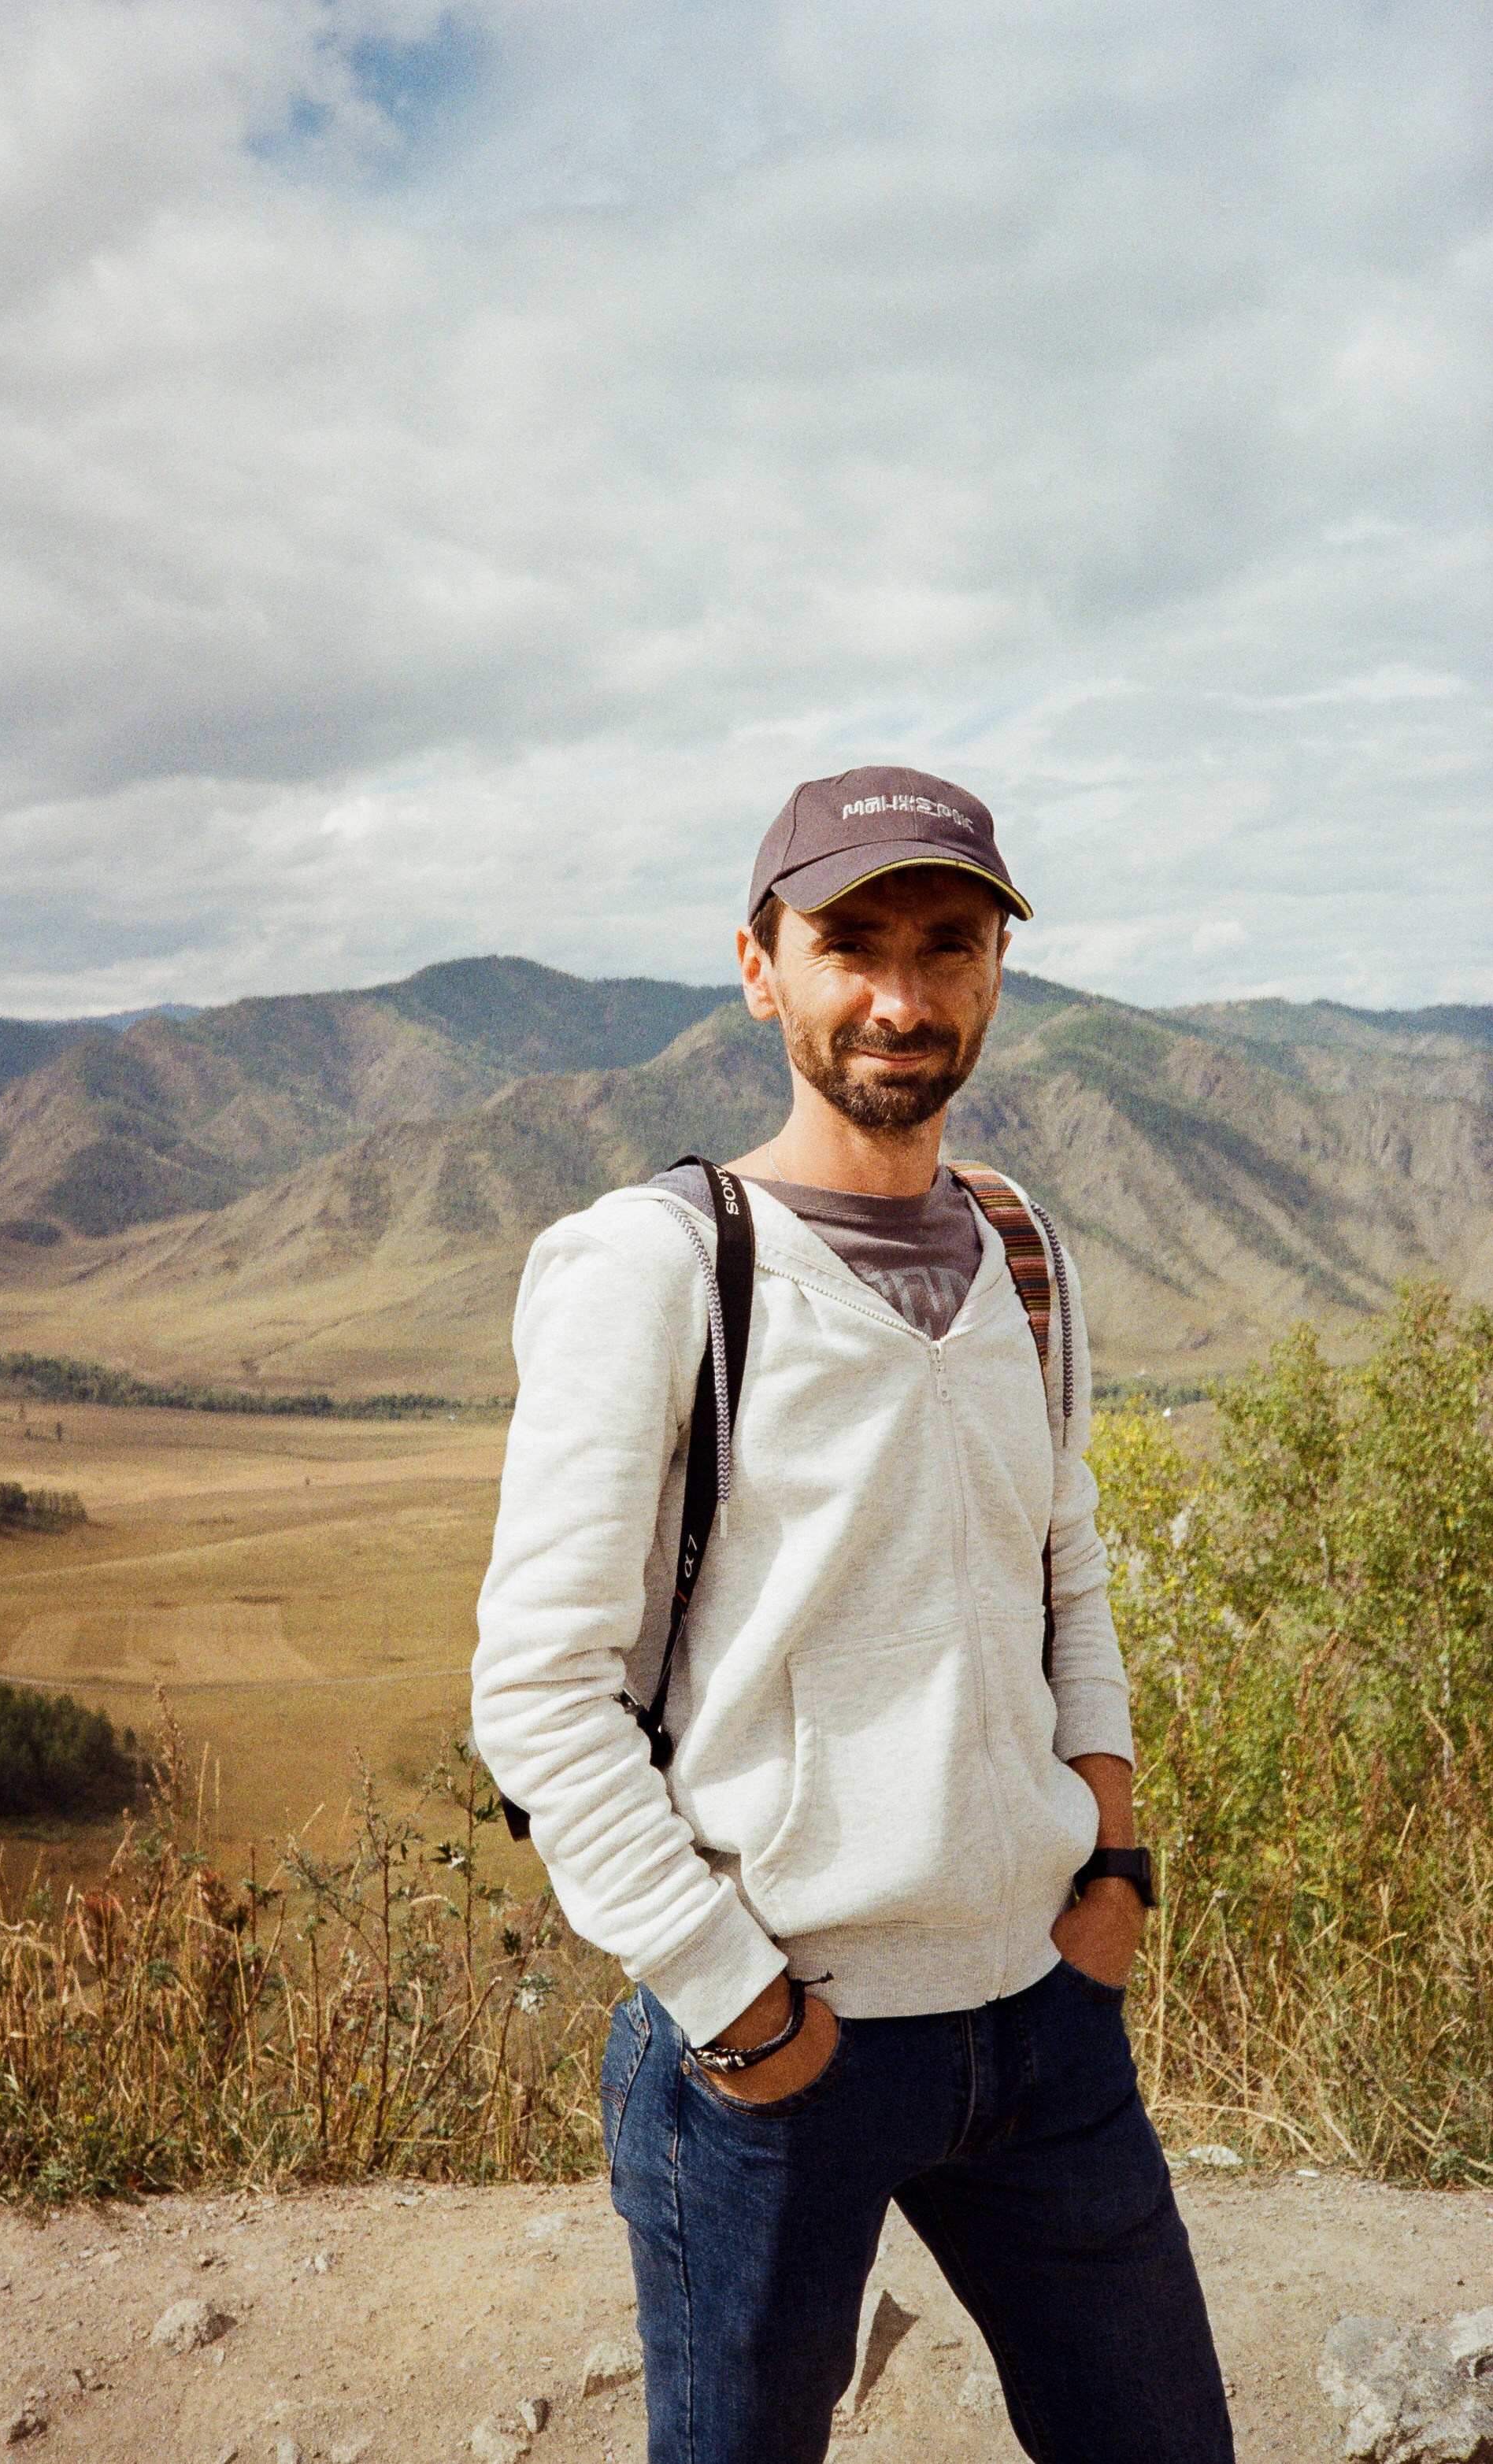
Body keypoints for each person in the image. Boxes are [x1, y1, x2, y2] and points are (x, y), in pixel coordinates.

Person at [472, 766, 1234, 2464]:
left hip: (1043, 2017)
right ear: (761, 965)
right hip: (776, 2046)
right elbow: (538, 1696)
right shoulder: (657, 1266)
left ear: (995, 975)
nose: (902, 992)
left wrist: (1108, 1869)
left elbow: (1066, 1572)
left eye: (947, 942)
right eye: (851, 942)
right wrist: (735, 1997)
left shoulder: (1024, 1246)